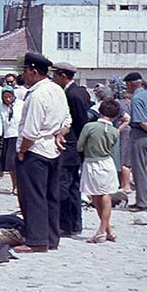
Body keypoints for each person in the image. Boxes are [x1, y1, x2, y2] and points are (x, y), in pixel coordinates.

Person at [13, 52, 71, 254]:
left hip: (35, 150)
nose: (24, 76)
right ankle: (51, 237)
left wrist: (21, 151)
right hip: (53, 150)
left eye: (25, 72)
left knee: (33, 197)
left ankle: (37, 240)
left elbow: (31, 130)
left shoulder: (37, 95)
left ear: (33, 71)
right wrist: (59, 134)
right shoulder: (57, 90)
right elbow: (67, 121)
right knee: (50, 196)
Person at [51, 62, 89, 237]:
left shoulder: (73, 95)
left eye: (56, 75)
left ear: (63, 76)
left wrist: (81, 147)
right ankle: (74, 223)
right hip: (73, 146)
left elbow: (81, 123)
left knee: (64, 185)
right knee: (73, 186)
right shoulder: (71, 92)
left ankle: (65, 224)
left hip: (71, 146)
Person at [78, 99, 121, 244]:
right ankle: (106, 230)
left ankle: (102, 231)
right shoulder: (115, 131)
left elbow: (80, 146)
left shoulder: (89, 127)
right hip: (106, 162)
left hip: (91, 162)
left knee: (96, 197)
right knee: (106, 195)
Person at [124, 72, 147, 213]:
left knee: (138, 170)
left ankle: (142, 202)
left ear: (130, 84)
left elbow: (140, 120)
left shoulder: (137, 98)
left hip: (140, 135)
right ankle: (142, 200)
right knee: (143, 167)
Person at [0, 85, 23, 195]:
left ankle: (21, 186)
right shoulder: (0, 107)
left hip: (19, 136)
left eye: (10, 96)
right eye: (5, 97)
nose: (8, 99)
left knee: (20, 163)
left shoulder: (21, 105)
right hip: (8, 137)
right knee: (11, 165)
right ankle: (14, 185)